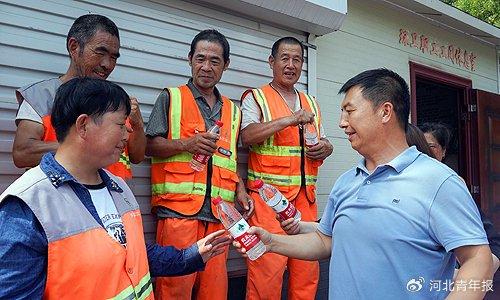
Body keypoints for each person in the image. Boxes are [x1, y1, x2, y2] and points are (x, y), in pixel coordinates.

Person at [235, 68, 493, 299]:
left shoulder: (438, 181)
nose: (341, 123)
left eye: (349, 111)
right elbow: (326, 242)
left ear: (385, 112)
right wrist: (271, 242)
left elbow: (477, 259)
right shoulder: (346, 182)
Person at [0, 78, 231, 299]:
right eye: (121, 125)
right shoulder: (27, 208)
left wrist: (189, 256)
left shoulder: (118, 187)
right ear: (83, 125)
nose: (128, 133)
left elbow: (133, 254)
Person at [145, 29, 252, 300]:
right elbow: (148, 146)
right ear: (190, 59)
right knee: (174, 290)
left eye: (215, 61)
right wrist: (186, 144)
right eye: (200, 58)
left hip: (219, 216)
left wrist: (240, 189)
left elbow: (229, 160)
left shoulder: (234, 110)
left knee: (215, 292)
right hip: (178, 213)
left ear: (225, 65)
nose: (206, 67)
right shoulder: (171, 97)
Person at [239, 36, 333, 300]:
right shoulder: (256, 97)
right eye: (285, 58)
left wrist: (327, 148)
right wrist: (291, 119)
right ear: (272, 62)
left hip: (305, 200)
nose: (291, 65)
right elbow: (247, 136)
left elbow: (323, 140)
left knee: (306, 274)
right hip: (268, 201)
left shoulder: (311, 102)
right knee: (266, 272)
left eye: (297, 60)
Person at [12, 14, 146, 180]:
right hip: (64, 202)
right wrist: (89, 144)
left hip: (116, 202)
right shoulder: (40, 96)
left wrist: (138, 125)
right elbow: (22, 153)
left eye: (113, 57)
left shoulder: (117, 101)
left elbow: (137, 157)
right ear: (74, 47)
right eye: (100, 52)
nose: (108, 65)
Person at [419, 122, 500, 276]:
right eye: (419, 147)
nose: (424, 152)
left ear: (443, 152)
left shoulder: (452, 186)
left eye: (431, 146)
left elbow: (492, 241)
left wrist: (470, 275)